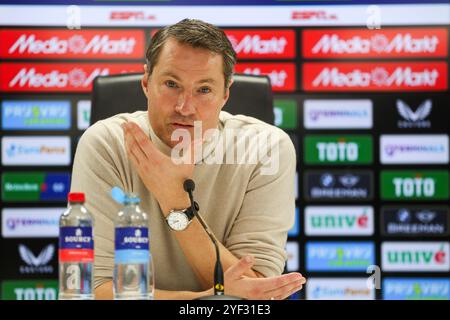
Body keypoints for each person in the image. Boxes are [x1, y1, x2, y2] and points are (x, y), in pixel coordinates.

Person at [71, 18, 306, 300]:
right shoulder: (106, 144)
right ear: (146, 83)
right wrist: (202, 299)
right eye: (171, 84)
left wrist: (175, 202)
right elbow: (93, 290)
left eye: (204, 90)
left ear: (225, 94)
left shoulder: (265, 147)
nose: (185, 107)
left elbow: (255, 289)